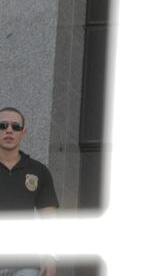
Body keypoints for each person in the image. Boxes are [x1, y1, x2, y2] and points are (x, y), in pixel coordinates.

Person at [0, 107, 59, 276]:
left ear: (23, 133)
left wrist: (51, 257)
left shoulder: (39, 171)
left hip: (26, 264)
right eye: (2, 125)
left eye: (15, 127)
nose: (9, 130)